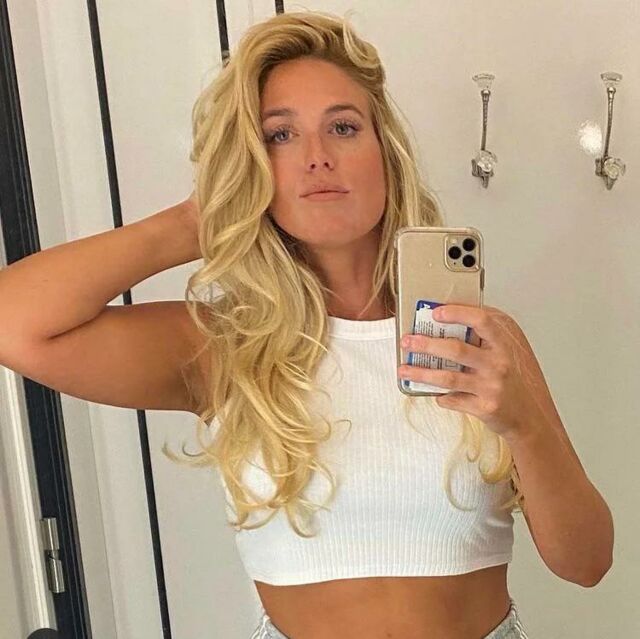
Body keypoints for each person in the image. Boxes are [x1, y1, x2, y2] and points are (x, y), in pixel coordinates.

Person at [0, 10, 613, 639]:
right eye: (279, 136)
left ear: (385, 152)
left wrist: (522, 424)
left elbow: (588, 562)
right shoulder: (222, 346)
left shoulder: (483, 339)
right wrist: (198, 220)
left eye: (342, 127)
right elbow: (14, 323)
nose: (317, 158)